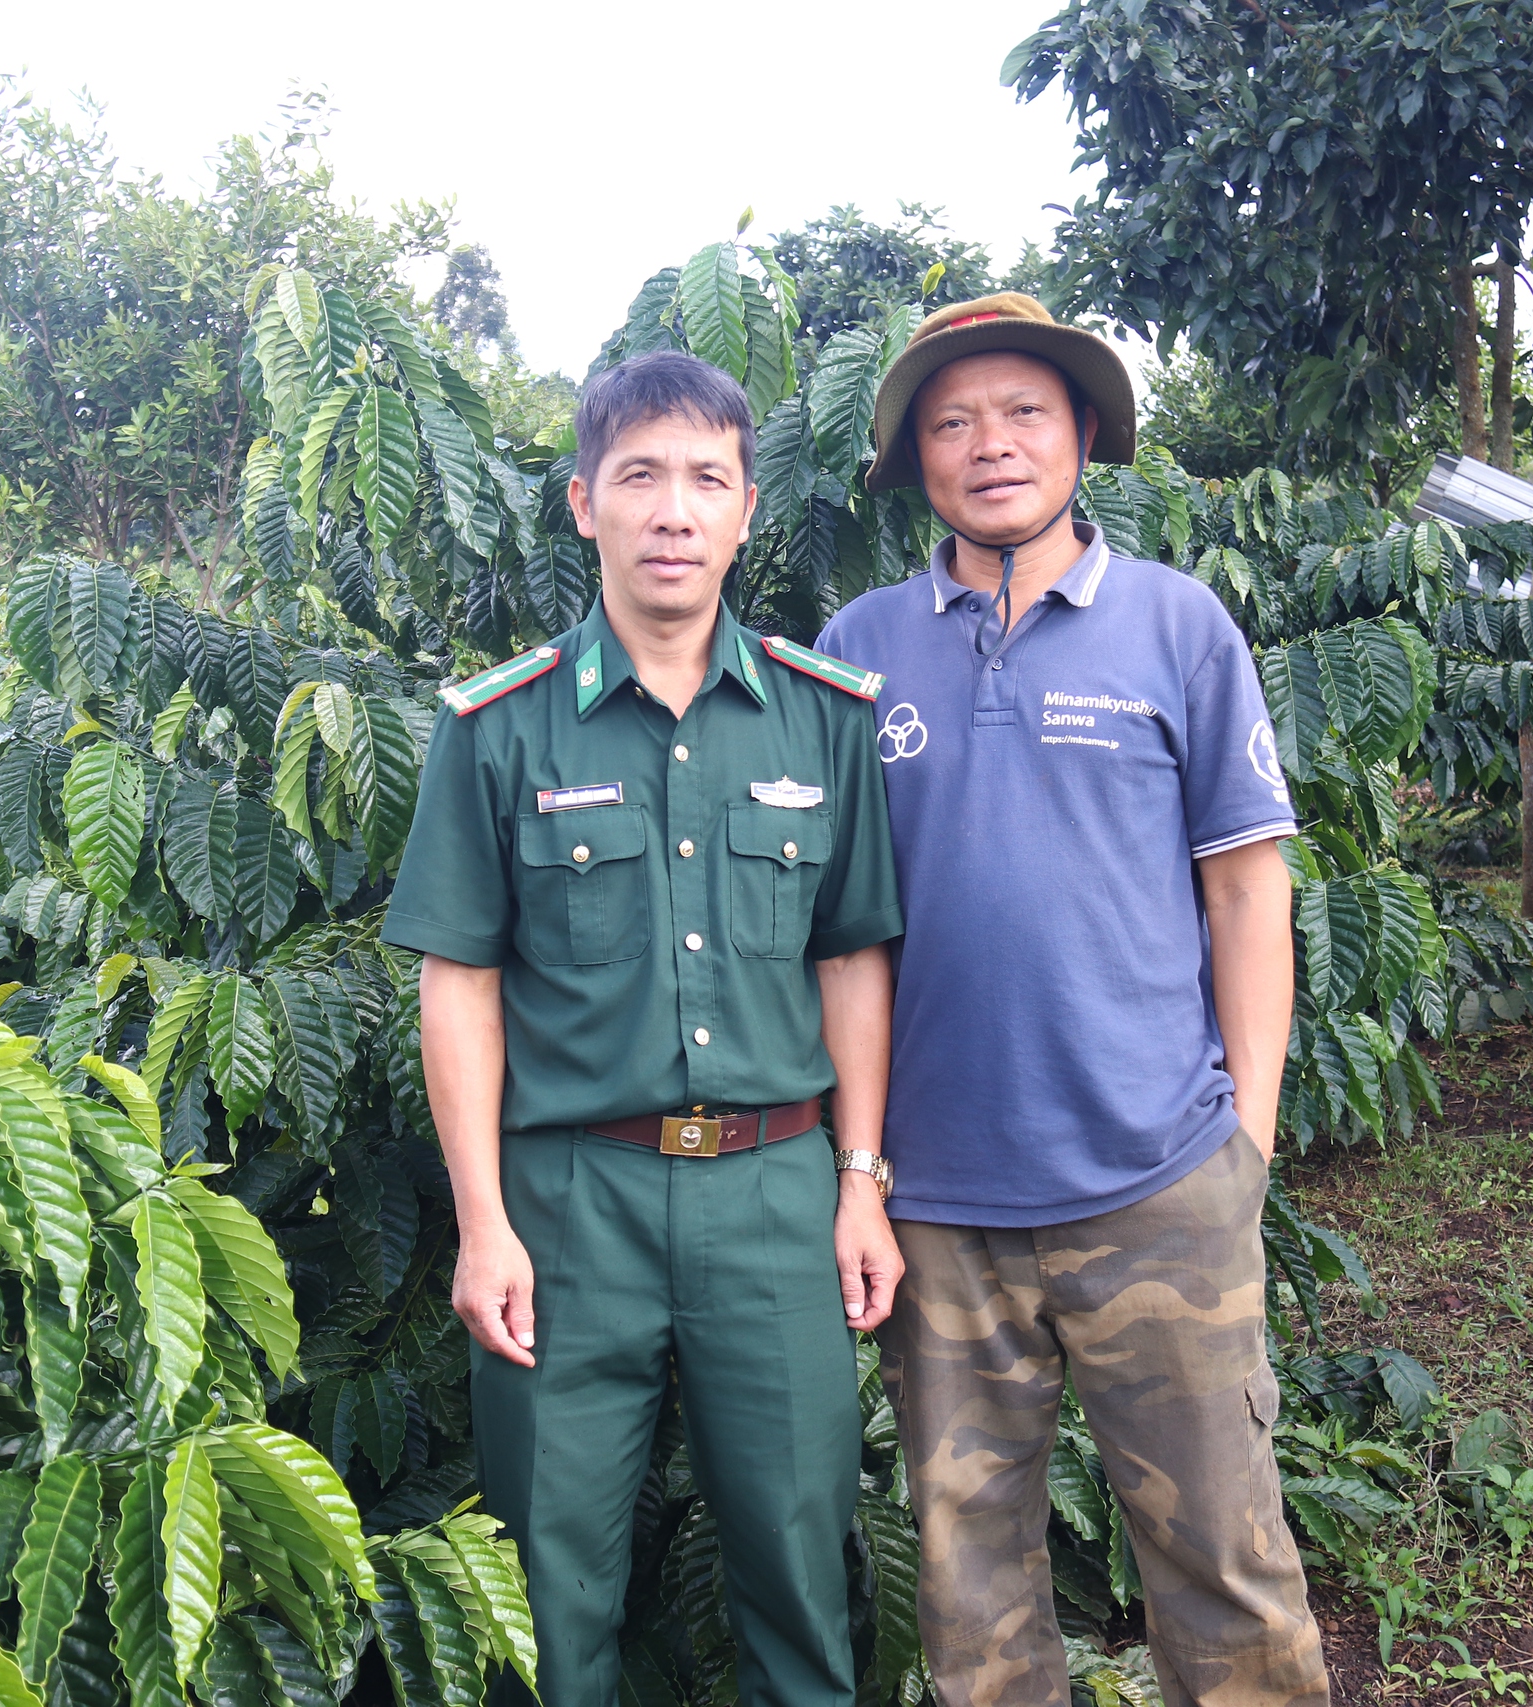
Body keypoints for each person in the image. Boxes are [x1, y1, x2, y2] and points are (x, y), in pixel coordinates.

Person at [813, 294, 1332, 1707]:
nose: (991, 445)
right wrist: (861, 1167)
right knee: (971, 1582)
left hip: (1160, 1182)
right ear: (915, 457)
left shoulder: (1179, 625)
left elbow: (1246, 889)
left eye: (1023, 411)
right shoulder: (855, 648)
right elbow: (842, 929)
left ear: (1084, 430)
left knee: (1225, 1560)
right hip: (940, 1208)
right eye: (951, 421)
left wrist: (1249, 1142)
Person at [381, 350, 908, 1707]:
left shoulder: (822, 717)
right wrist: (484, 1221)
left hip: (776, 1198)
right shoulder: (495, 731)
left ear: (744, 514)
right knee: (549, 1593)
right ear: (583, 504)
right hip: (569, 1205)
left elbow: (852, 956)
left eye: (706, 480)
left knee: (801, 1571)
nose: (673, 510)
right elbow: (460, 984)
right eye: (641, 477)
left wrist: (861, 1184)